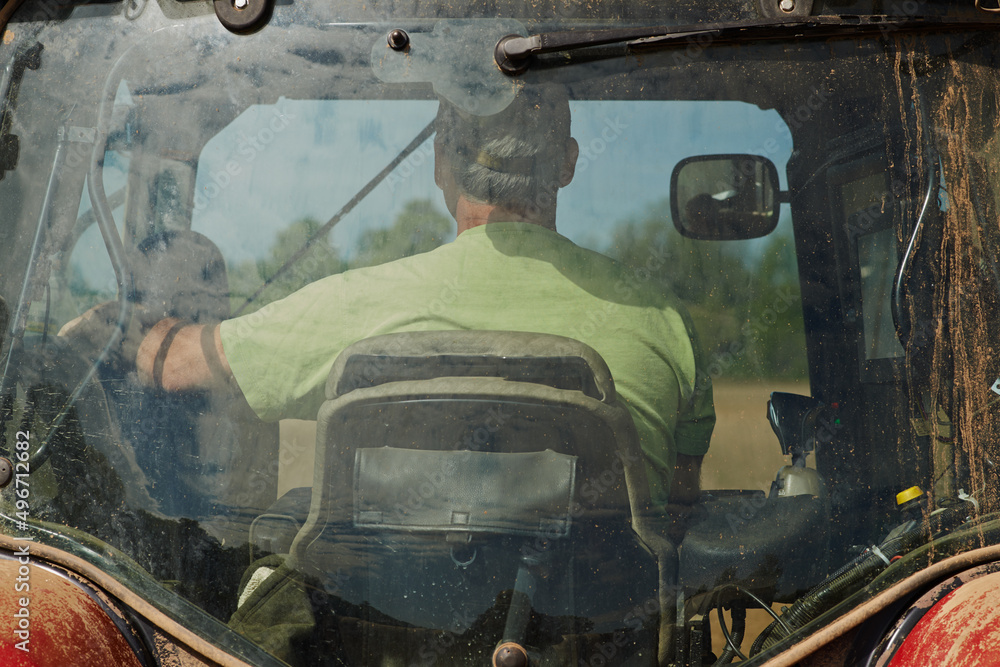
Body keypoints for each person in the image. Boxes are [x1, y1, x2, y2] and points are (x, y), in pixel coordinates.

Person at [63, 86, 714, 517]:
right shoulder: (666, 325)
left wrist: (100, 325)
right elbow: (680, 509)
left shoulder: (355, 304)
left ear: (440, 162)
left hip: (378, 625)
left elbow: (173, 364)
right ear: (568, 164)